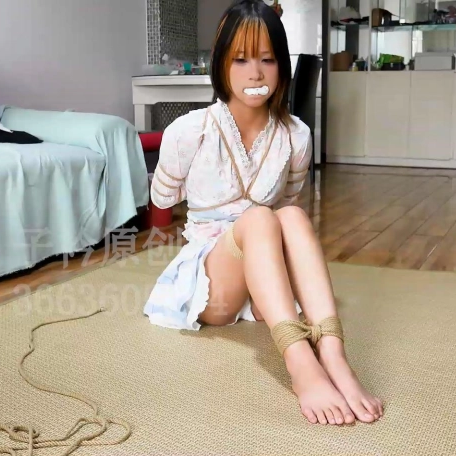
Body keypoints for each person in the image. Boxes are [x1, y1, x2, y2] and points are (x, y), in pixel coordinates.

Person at [143, 0, 383, 426]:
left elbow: (288, 203)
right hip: (213, 281)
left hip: (263, 273)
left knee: (291, 217)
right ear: (221, 64)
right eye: (240, 59)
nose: (255, 73)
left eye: (267, 59)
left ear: (282, 66)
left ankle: (333, 354)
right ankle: (299, 361)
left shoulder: (296, 136)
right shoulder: (189, 130)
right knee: (259, 217)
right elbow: (162, 201)